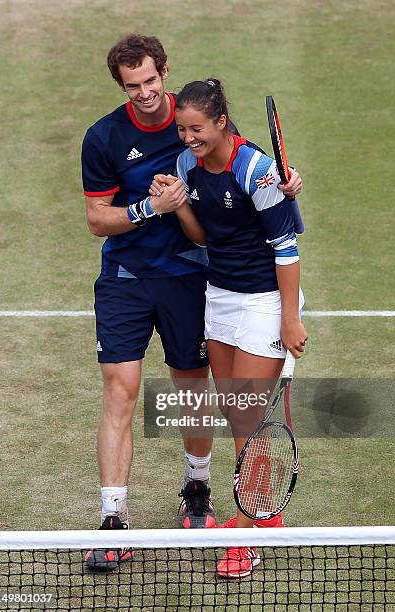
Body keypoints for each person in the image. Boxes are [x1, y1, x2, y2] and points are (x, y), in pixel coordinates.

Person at [81, 33, 303, 570]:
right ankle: (117, 518)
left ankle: (219, 508)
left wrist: (286, 184)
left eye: (151, 81)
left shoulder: (208, 134)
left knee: (222, 405)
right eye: (132, 86)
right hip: (160, 284)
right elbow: (104, 220)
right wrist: (157, 207)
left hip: (215, 289)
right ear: (121, 86)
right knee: (148, 394)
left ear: (164, 75)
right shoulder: (117, 139)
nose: (145, 93)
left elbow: (249, 175)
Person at [150, 78, 307, 579]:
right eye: (182, 129)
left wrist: (289, 317)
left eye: (197, 128)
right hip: (220, 297)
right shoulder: (185, 166)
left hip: (264, 303)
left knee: (247, 416)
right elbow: (203, 234)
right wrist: (177, 207)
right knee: (236, 415)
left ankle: (246, 533)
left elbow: (286, 248)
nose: (188, 137)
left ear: (221, 122)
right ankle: (266, 512)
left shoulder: (256, 170)